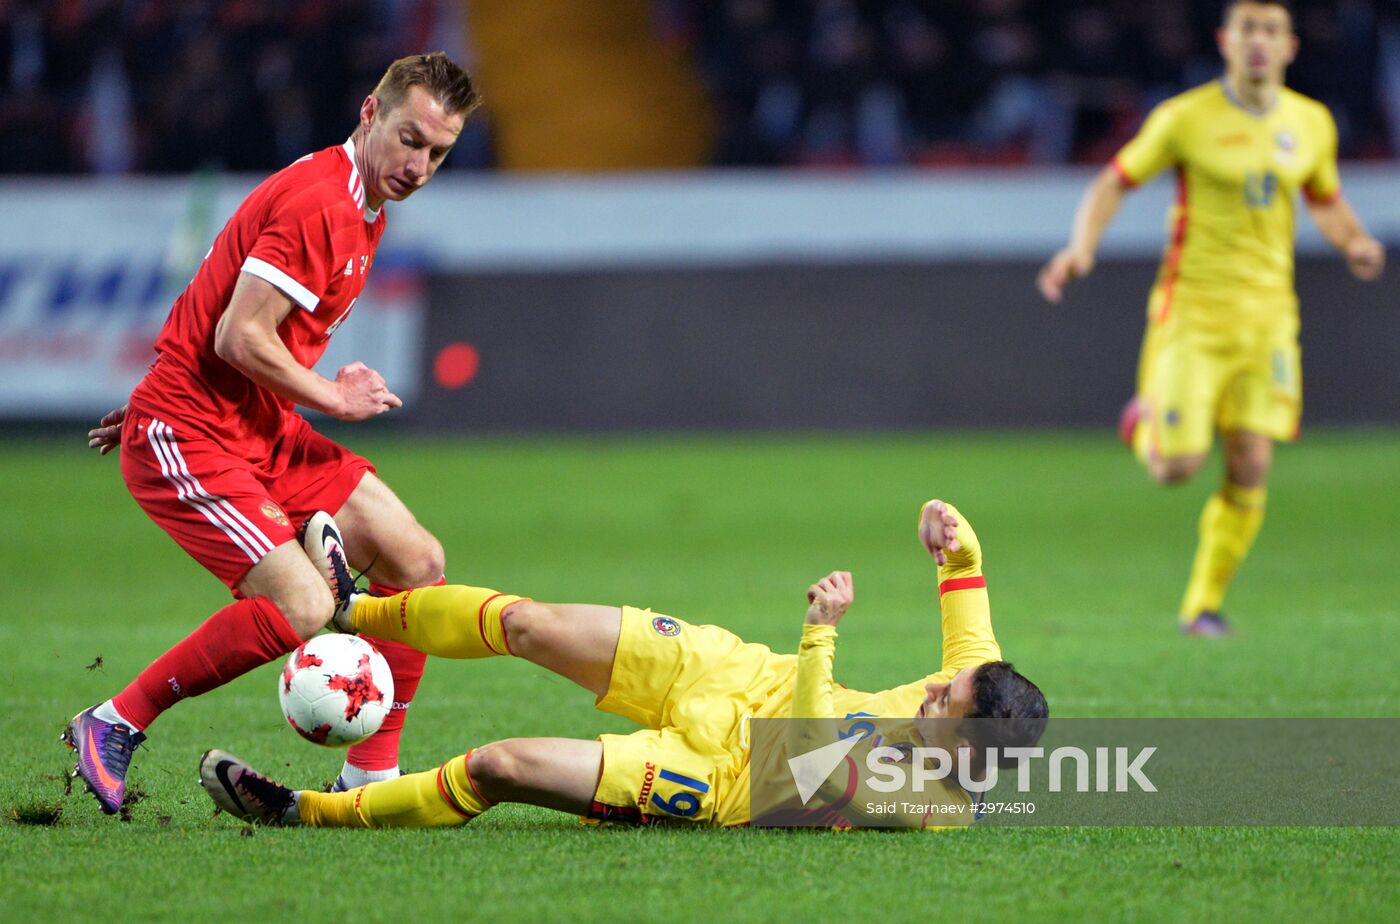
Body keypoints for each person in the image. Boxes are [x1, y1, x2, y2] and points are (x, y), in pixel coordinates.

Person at [66, 53, 480, 814]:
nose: (419, 165)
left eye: (438, 152)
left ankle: (368, 778)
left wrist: (184, 366)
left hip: (255, 424)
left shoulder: (363, 204)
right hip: (191, 432)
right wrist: (332, 396)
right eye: (410, 139)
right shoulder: (322, 202)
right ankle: (112, 721)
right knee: (301, 606)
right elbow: (239, 336)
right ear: (369, 114)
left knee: (417, 559)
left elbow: (224, 293)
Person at [197, 499, 1048, 830]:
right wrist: (953, 534)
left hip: (718, 779)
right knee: (530, 623)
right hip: (727, 673)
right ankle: (353, 607)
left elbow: (815, 759)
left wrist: (821, 634)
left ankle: (307, 813)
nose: (936, 684)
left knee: (500, 767)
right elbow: (966, 592)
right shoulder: (982, 693)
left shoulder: (932, 803)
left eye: (945, 699)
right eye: (950, 679)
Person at [1036, 0, 1384, 636]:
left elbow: (1326, 200)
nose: (1259, 42)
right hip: (1192, 315)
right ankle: (1143, 423)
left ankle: (1202, 606)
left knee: (1251, 460)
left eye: (1272, 30)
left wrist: (1354, 241)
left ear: (1290, 47)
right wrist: (1080, 248)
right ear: (1226, 42)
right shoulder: (1185, 118)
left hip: (1270, 320)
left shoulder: (1311, 124)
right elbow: (1114, 181)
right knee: (1177, 469)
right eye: (1247, 29)